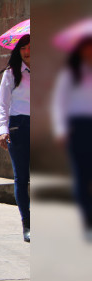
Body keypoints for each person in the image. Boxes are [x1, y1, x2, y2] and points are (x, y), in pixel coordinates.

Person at [52, 36, 92, 240]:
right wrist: (61, 130)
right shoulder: (70, 74)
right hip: (77, 128)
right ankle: (87, 221)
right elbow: (59, 103)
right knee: (81, 176)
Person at [0, 35, 31, 243]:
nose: (27, 52)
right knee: (21, 177)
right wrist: (3, 129)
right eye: (23, 48)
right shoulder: (11, 73)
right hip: (19, 127)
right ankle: (27, 223)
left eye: (31, 47)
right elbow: (2, 104)